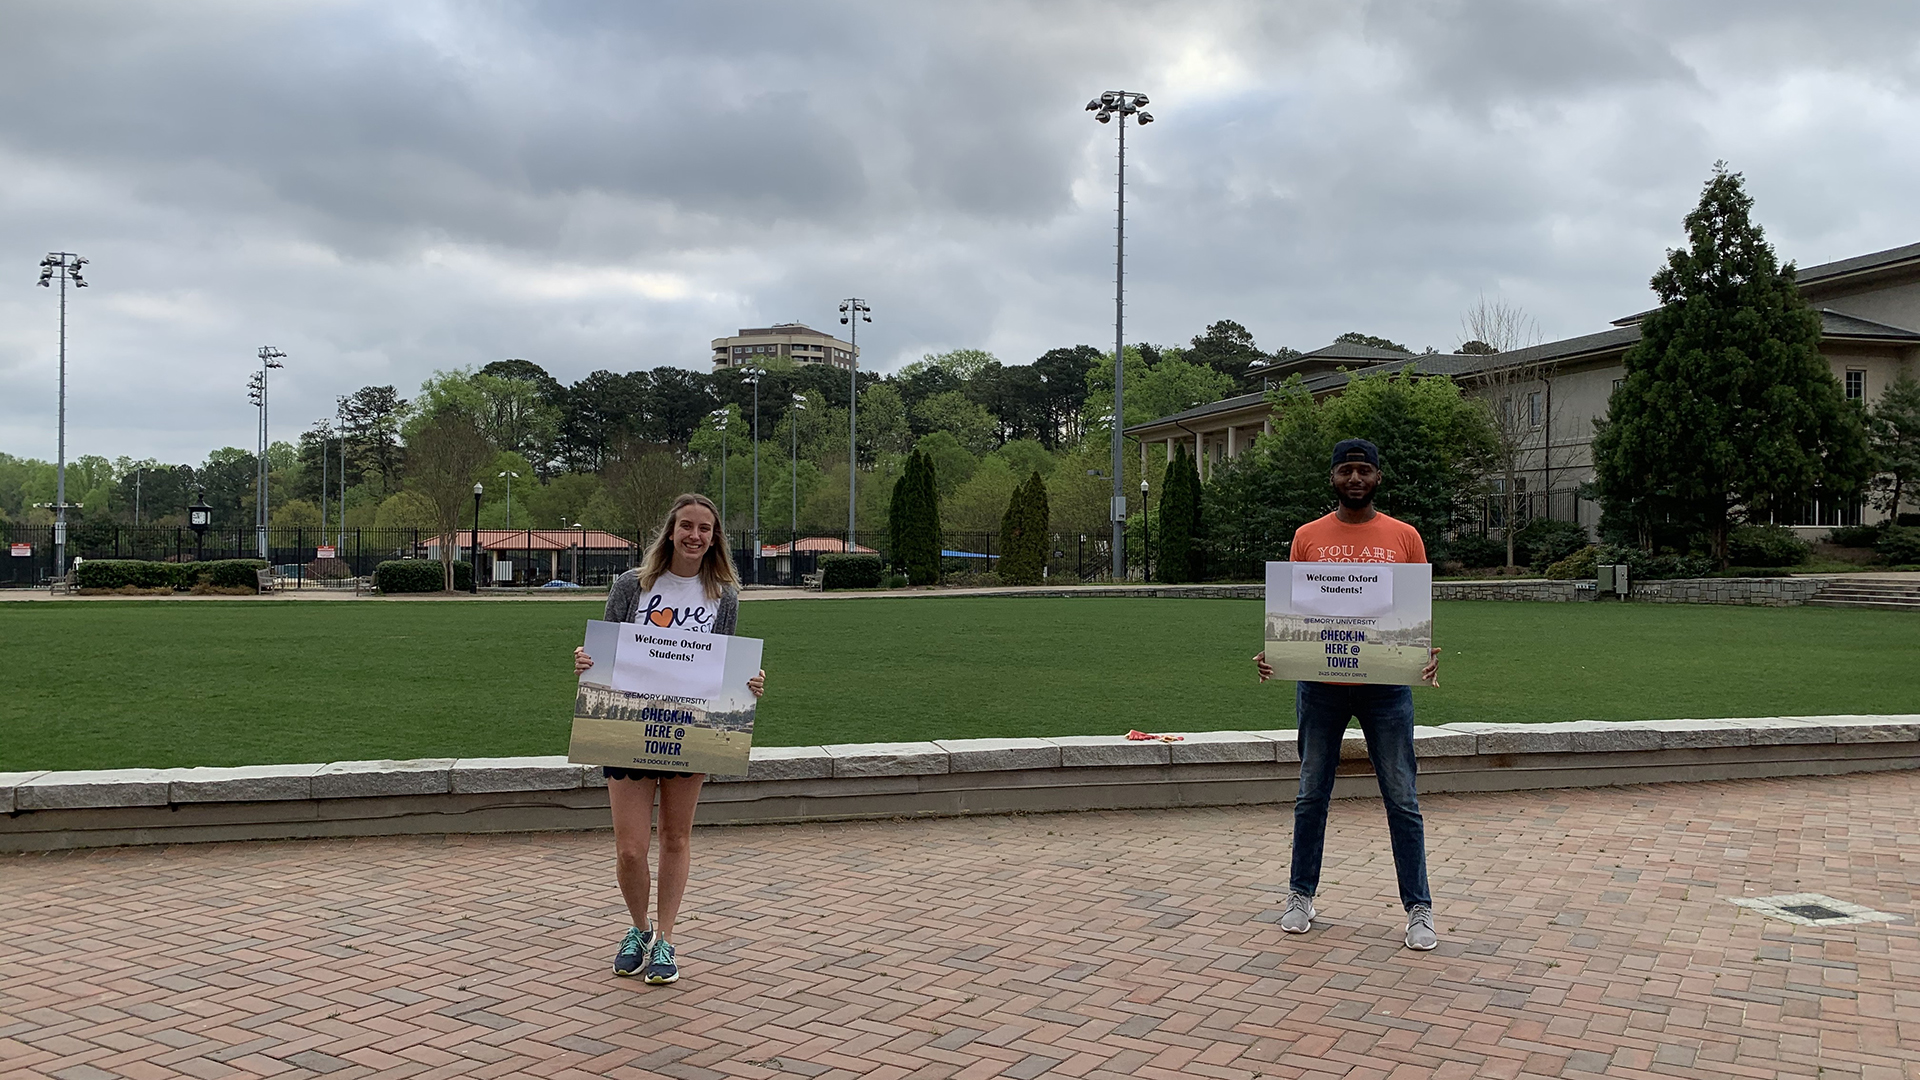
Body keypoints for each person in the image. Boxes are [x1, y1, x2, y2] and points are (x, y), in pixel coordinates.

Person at [1254, 438, 1443, 951]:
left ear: (1378, 477)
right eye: (1346, 471)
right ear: (1333, 478)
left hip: (1385, 687)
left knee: (1402, 797)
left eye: (1363, 470)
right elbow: (1293, 612)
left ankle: (1419, 908)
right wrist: (1276, 651)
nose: (1355, 479)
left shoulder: (1404, 537)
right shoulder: (1307, 536)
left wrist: (1423, 651)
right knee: (1311, 794)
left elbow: (1413, 612)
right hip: (1321, 686)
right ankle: (1300, 895)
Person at [572, 493, 765, 984]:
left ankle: (667, 941)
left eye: (705, 528)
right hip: (628, 727)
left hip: (690, 730)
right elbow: (608, 652)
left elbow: (720, 668)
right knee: (631, 849)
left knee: (677, 839)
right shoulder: (631, 587)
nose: (695, 536)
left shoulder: (724, 597)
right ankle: (639, 929)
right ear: (671, 530)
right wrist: (587, 662)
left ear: (715, 537)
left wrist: (748, 682)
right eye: (686, 526)